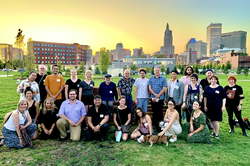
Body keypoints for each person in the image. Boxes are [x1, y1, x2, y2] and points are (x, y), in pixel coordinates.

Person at [148, 65, 167, 131]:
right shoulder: (151, 78)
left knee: (160, 112)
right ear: (154, 71)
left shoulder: (163, 78)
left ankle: (160, 126)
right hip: (153, 98)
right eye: (155, 70)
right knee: (154, 112)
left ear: (160, 71)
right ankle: (154, 125)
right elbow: (150, 88)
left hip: (160, 98)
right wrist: (155, 94)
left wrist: (158, 95)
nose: (157, 72)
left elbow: (164, 88)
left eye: (158, 70)